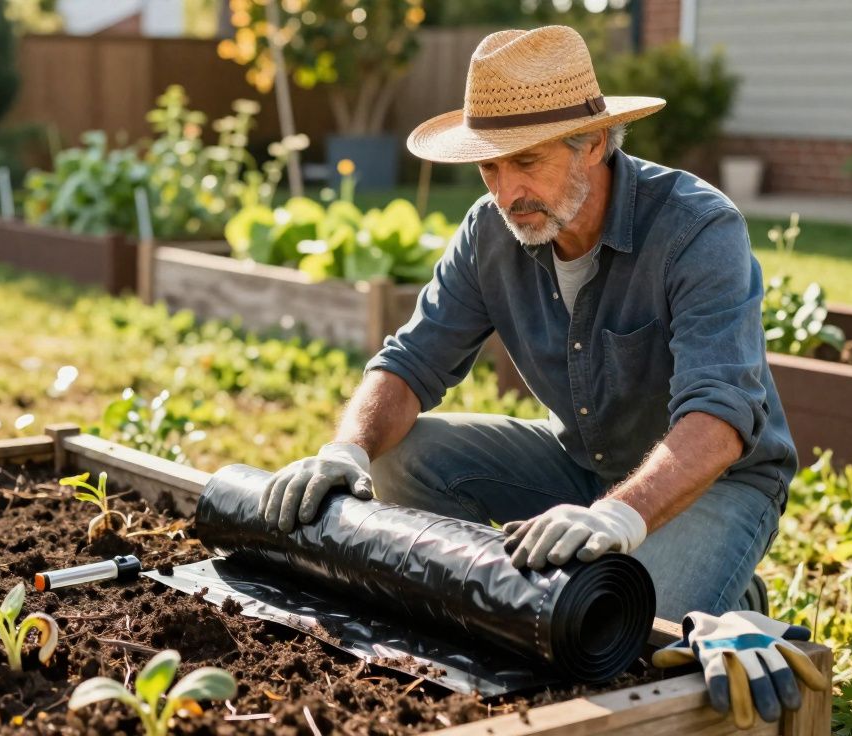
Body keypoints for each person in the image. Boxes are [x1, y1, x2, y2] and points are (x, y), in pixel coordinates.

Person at [260, 25, 804, 718]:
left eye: (526, 161)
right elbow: (410, 361)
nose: (506, 191)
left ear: (594, 143)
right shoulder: (490, 231)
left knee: (617, 634)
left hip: (715, 484)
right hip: (582, 463)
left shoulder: (697, 229)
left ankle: (732, 595)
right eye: (489, 167)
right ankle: (528, 590)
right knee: (405, 457)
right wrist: (347, 449)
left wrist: (619, 516)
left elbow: (720, 416)